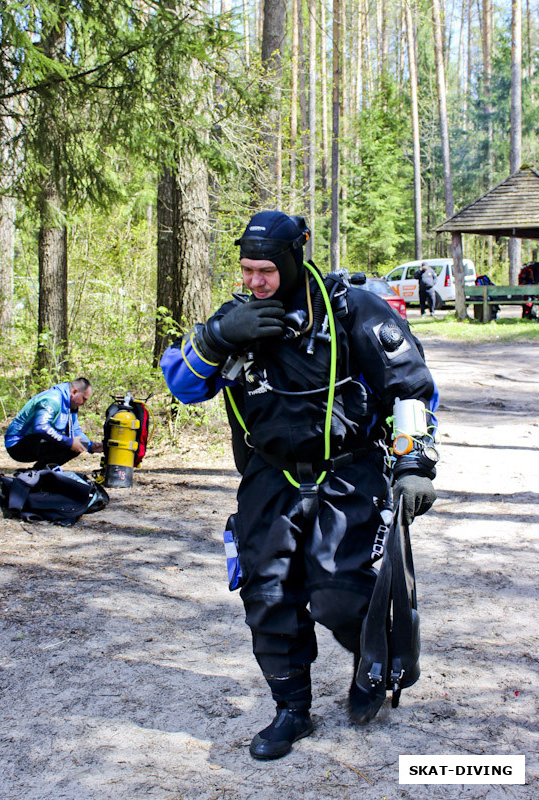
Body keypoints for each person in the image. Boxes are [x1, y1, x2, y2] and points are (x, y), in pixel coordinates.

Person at [160, 211, 439, 760]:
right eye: (246, 270)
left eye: (265, 270)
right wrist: (217, 339)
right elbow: (182, 385)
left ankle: (374, 659)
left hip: (348, 469)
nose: (255, 282)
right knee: (267, 594)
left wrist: (413, 465)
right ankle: (292, 710)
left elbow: (410, 388)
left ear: (294, 259)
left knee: (337, 594)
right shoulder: (236, 319)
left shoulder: (351, 309)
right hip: (269, 475)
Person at [5, 377, 103, 469]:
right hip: (17, 444)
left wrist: (90, 446)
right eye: (84, 399)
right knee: (70, 446)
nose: (84, 404)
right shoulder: (52, 400)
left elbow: (75, 430)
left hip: (33, 439)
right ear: (74, 392)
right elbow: (41, 427)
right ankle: (35, 476)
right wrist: (70, 442)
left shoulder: (69, 404)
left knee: (78, 445)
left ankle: (39, 474)